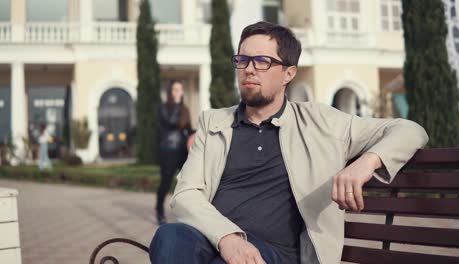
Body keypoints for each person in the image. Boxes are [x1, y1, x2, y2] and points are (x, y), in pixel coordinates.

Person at [149, 22, 428, 264]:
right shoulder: (215, 123)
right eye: (242, 60)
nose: (248, 70)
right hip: (215, 239)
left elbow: (409, 130)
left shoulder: (322, 122)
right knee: (170, 236)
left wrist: (367, 162)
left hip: (275, 254)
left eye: (261, 61)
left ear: (289, 74)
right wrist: (228, 237)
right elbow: (185, 195)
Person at [157, 80, 192, 225]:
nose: (178, 93)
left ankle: (187, 213)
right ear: (171, 93)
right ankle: (159, 211)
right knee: (166, 182)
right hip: (168, 150)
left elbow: (188, 129)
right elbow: (171, 123)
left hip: (183, 150)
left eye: (180, 90)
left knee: (188, 182)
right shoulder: (163, 108)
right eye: (175, 90)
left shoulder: (184, 109)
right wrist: (177, 104)